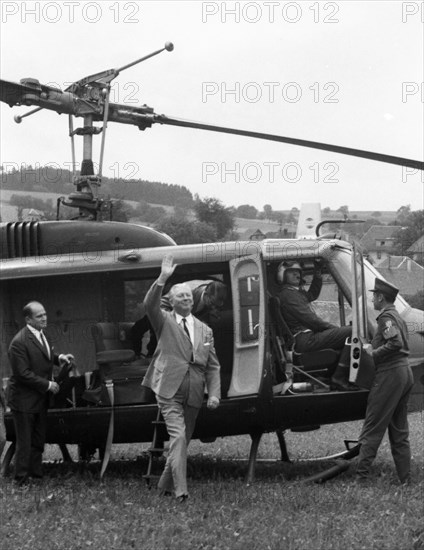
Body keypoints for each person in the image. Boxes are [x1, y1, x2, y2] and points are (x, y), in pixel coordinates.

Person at [142, 255, 221, 502]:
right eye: (180, 296)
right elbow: (149, 304)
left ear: (193, 299)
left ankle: (163, 488)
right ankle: (181, 492)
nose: (185, 299)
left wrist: (215, 393)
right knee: (177, 437)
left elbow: (213, 365)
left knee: (182, 442)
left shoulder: (205, 330)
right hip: (168, 389)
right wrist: (163, 278)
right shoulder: (163, 321)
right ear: (172, 301)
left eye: (188, 295)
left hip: (195, 392)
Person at [7, 301, 74, 485]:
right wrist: (48, 385)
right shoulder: (18, 342)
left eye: (45, 314)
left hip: (39, 398)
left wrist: (58, 358)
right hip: (23, 400)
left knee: (38, 439)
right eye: (39, 316)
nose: (44, 318)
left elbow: (44, 355)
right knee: (25, 442)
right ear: (28, 319)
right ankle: (20, 480)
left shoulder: (42, 334)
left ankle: (36, 476)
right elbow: (22, 374)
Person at [356, 278, 414, 484]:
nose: (372, 299)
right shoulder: (397, 316)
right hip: (404, 373)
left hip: (390, 374)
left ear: (380, 297)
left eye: (374, 296)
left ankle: (361, 478)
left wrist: (373, 353)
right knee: (399, 431)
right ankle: (405, 480)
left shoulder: (386, 318)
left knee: (373, 425)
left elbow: (395, 342)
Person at [277, 260, 352, 389]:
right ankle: (339, 377)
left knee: (344, 338)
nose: (297, 275)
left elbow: (312, 294)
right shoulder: (288, 295)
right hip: (305, 339)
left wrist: (317, 273)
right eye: (292, 272)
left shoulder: (294, 292)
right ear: (283, 275)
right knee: (352, 331)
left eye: (298, 272)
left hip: (306, 337)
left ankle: (333, 375)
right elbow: (312, 321)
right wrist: (335, 329)